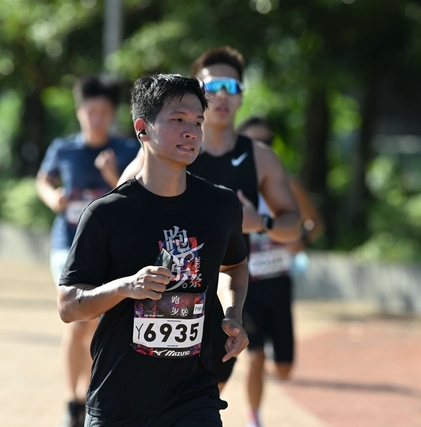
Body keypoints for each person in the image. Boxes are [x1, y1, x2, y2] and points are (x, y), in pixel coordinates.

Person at [57, 73, 250, 427]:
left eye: (197, 122)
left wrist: (234, 314)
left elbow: (236, 265)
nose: (191, 131)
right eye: (178, 120)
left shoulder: (220, 205)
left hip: (194, 397)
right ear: (142, 128)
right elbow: (68, 305)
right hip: (119, 400)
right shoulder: (107, 213)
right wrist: (125, 287)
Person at [118, 47, 302, 397]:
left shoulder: (260, 157)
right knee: (155, 397)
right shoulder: (167, 148)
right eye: (212, 86)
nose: (222, 95)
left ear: (241, 96)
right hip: (165, 295)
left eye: (231, 87)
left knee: (206, 395)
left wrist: (260, 222)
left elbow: (293, 223)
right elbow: (118, 205)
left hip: (226, 295)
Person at [36, 75, 139, 427]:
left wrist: (112, 176)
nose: (97, 119)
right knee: (77, 317)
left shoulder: (126, 150)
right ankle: (73, 401)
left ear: (113, 114)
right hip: (67, 246)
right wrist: (53, 198)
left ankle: (88, 394)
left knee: (95, 321)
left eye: (104, 112)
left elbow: (136, 195)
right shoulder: (63, 149)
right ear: (79, 112)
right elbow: (43, 179)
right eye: (90, 111)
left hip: (109, 250)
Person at [237, 116, 324, 427]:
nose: (259, 148)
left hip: (279, 283)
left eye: (266, 142)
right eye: (251, 143)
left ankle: (272, 367)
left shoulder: (288, 185)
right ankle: (254, 418)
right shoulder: (232, 188)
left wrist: (300, 239)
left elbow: (315, 223)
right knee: (256, 355)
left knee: (284, 368)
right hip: (246, 285)